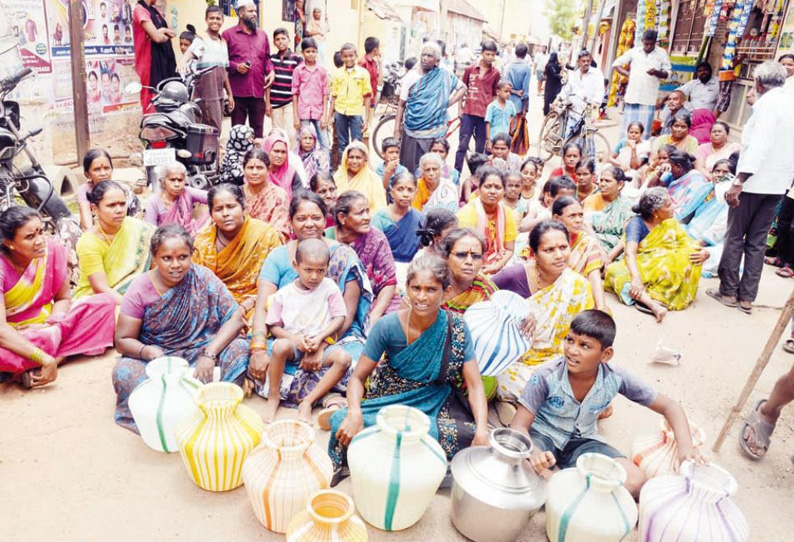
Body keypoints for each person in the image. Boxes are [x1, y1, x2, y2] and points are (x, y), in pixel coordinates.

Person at [328, 255, 489, 483]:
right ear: (407, 288)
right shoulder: (387, 326)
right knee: (340, 420)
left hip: (435, 402)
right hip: (390, 400)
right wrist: (354, 413)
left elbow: (474, 386)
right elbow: (357, 378)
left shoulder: (458, 328)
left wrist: (481, 431)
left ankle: (390, 452)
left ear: (447, 292)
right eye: (416, 288)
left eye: (431, 290)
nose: (421, 297)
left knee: (474, 435)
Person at [511, 310, 704, 498]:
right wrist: (534, 453)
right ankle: (567, 485)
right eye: (570, 340)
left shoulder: (615, 377)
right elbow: (518, 426)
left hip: (583, 441)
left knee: (636, 482)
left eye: (585, 345)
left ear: (606, 354)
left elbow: (670, 407)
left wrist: (685, 451)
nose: (572, 350)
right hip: (542, 437)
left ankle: (563, 486)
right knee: (522, 468)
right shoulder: (545, 376)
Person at [112, 225, 250, 432]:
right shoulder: (140, 287)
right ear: (154, 258)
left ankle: (217, 407)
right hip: (160, 357)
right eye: (167, 258)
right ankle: (175, 414)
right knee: (123, 373)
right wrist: (147, 351)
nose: (176, 265)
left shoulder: (203, 277)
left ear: (192, 255)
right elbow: (122, 340)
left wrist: (209, 354)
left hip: (202, 349)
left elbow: (235, 318)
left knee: (239, 349)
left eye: (183, 257)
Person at [249, 192, 374, 408]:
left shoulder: (344, 255)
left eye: (315, 218)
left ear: (325, 219)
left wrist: (321, 345)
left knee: (356, 362)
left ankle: (316, 396)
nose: (309, 224)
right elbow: (263, 308)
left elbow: (346, 315)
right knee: (254, 358)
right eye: (301, 218)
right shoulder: (278, 257)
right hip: (289, 334)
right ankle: (328, 396)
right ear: (291, 222)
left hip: (334, 336)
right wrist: (258, 350)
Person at [709, 62, 794, 315]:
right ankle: (746, 298)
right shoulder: (789, 102)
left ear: (758, 84)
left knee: (735, 236)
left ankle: (728, 291)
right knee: (756, 242)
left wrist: (738, 181)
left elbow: (758, 147)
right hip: (778, 184)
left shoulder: (767, 106)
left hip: (753, 183)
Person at [0, 207, 116, 388]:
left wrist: (50, 324)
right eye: (30, 237)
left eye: (41, 232)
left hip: (50, 325)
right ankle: (51, 357)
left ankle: (53, 360)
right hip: (14, 335)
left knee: (105, 303)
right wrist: (44, 357)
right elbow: (1, 331)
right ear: (9, 243)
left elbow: (63, 298)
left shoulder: (51, 250)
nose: (40, 241)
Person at [493, 221, 594, 400]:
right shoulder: (514, 275)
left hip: (558, 358)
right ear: (534, 254)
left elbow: (585, 333)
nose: (559, 255)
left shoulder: (579, 285)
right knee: (499, 379)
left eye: (563, 247)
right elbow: (481, 300)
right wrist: (517, 311)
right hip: (514, 360)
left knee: (593, 384)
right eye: (549, 250)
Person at [262, 239, 351, 423]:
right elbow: (273, 326)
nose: (314, 276)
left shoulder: (329, 288)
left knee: (344, 359)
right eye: (308, 270)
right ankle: (273, 397)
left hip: (321, 344)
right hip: (295, 345)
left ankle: (307, 402)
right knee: (279, 348)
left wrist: (320, 339)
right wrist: (294, 339)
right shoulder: (284, 295)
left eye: (320, 270)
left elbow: (340, 317)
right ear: (296, 265)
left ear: (327, 267)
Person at [605, 187, 709, 321]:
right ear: (655, 212)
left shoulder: (671, 222)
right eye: (668, 205)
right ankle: (652, 304)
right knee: (615, 272)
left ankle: (649, 296)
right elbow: (630, 252)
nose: (673, 208)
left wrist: (704, 253)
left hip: (664, 266)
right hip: (643, 264)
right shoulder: (636, 224)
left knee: (689, 254)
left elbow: (686, 242)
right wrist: (636, 277)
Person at [192, 184, 281, 315]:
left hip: (255, 302)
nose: (225, 213)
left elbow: (277, 280)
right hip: (214, 304)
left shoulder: (265, 234)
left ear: (244, 208)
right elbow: (196, 284)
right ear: (211, 214)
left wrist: (247, 305)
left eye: (231, 207)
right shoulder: (203, 241)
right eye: (218, 209)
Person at [75, 181, 155, 303]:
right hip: (99, 301)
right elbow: (100, 288)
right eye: (111, 205)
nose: (119, 210)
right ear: (95, 209)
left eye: (122, 204)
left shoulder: (136, 227)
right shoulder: (88, 242)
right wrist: (132, 307)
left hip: (136, 295)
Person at [327, 191, 402, 321]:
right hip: (335, 306)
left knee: (394, 321)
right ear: (342, 218)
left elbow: (389, 282)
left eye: (367, 211)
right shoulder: (326, 240)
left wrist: (374, 317)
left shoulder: (376, 238)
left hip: (373, 301)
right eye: (360, 213)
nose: (367, 217)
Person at [394, 42, 465, 174]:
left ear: (437, 60)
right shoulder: (411, 77)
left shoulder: (444, 75)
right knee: (409, 170)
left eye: (430, 56)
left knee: (430, 169)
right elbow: (401, 104)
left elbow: (462, 88)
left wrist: (448, 103)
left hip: (434, 131)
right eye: (423, 55)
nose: (425, 58)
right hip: (412, 131)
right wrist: (396, 129)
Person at [176, 6, 233, 135]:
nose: (215, 21)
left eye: (218, 18)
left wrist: (230, 94)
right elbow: (190, 52)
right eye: (211, 18)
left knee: (216, 129)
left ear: (222, 20)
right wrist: (182, 62)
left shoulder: (223, 42)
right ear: (206, 20)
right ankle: (210, 154)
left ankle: (214, 153)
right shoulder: (201, 39)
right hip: (205, 93)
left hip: (218, 94)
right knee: (210, 129)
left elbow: (224, 72)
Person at [222, 0, 275, 139]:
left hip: (258, 92)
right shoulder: (228, 35)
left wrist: (271, 71)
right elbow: (222, 61)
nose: (254, 14)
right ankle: (238, 160)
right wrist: (235, 66)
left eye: (255, 11)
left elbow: (267, 58)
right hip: (238, 93)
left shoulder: (262, 35)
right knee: (237, 132)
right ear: (240, 13)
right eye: (250, 11)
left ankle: (256, 159)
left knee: (257, 132)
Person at [612, 29, 672, 140]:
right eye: (646, 43)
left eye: (651, 44)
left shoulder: (661, 53)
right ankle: (624, 153)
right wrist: (628, 74)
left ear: (656, 42)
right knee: (628, 130)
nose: (649, 46)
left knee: (644, 131)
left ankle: (641, 155)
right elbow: (616, 64)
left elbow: (667, 74)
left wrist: (656, 72)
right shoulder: (634, 52)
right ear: (642, 41)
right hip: (632, 97)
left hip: (648, 99)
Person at [457, 167, 516, 275]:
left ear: (504, 191)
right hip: (469, 264)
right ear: (479, 189)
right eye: (488, 187)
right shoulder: (468, 212)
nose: (493, 191)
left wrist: (498, 266)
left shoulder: (507, 212)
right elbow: (463, 251)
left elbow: (509, 249)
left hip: (498, 262)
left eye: (498, 187)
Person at [552, 197, 607, 311]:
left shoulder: (587, 242)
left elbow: (594, 276)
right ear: (557, 218)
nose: (578, 220)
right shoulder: (543, 237)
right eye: (572, 216)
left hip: (572, 295)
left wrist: (601, 308)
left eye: (580, 215)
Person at [455, 40, 501, 174]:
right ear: (482, 54)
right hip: (468, 112)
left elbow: (494, 94)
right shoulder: (470, 70)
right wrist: (460, 109)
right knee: (462, 145)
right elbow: (462, 89)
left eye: (493, 55)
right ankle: (456, 173)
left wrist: (492, 113)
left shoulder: (496, 73)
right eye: (488, 54)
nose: (490, 58)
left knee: (480, 149)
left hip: (484, 115)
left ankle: (476, 175)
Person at [687, 159, 734, 278]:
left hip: (712, 242)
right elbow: (686, 212)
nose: (720, 175)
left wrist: (693, 245)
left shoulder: (729, 200)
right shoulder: (705, 189)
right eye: (717, 171)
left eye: (725, 172)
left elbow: (717, 232)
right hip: (691, 231)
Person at [330, 43, 372, 165]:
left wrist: (367, 119)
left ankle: (357, 169)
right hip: (340, 112)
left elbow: (367, 96)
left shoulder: (363, 73)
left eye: (351, 56)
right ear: (342, 57)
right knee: (341, 143)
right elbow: (334, 96)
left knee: (356, 143)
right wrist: (329, 117)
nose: (348, 59)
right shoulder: (338, 74)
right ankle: (344, 168)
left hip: (356, 113)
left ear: (356, 56)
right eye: (345, 56)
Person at [132, 0, 176, 112]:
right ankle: (152, 128)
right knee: (152, 97)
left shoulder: (155, 10)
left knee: (168, 95)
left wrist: (162, 30)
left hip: (166, 60)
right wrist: (160, 34)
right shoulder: (140, 9)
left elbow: (173, 32)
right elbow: (157, 37)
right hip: (150, 62)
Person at [78, 149, 139, 230]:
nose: (103, 173)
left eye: (106, 168)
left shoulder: (123, 190)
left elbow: (138, 221)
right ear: (87, 174)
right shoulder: (86, 191)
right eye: (97, 169)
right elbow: (87, 226)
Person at [372, 172, 425, 264]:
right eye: (400, 189)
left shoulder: (420, 218)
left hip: (412, 268)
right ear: (392, 192)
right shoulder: (380, 218)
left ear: (416, 193)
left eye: (410, 190)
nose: (405, 194)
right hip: (384, 268)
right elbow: (373, 249)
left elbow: (423, 248)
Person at [440, 228, 497, 314]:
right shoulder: (432, 283)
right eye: (461, 255)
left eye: (476, 256)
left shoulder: (486, 291)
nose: (469, 262)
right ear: (446, 257)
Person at [240, 148, 291, 242]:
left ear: (268, 170)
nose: (254, 172)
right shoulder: (237, 193)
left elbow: (280, 232)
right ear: (244, 169)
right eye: (250, 168)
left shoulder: (278, 195)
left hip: (268, 247)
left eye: (259, 168)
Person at [144, 163, 208, 235]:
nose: (177, 184)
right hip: (164, 242)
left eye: (180, 180)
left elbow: (213, 197)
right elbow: (150, 231)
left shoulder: (187, 192)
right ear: (163, 182)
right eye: (172, 180)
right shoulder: (153, 201)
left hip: (187, 239)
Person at [585, 166, 633, 263]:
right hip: (595, 246)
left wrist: (609, 258)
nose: (602, 184)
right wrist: (601, 252)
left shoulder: (626, 205)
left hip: (618, 251)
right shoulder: (592, 199)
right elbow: (586, 225)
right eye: (601, 180)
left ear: (620, 185)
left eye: (607, 181)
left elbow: (627, 235)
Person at [292, 37, 329, 150]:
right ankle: (304, 165)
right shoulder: (298, 70)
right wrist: (295, 117)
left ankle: (324, 166)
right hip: (303, 111)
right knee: (303, 142)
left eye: (313, 51)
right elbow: (295, 94)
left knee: (324, 143)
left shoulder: (322, 70)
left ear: (317, 52)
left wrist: (324, 115)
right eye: (308, 51)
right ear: (302, 53)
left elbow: (325, 93)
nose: (311, 54)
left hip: (318, 111)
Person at [267, 28, 302, 145]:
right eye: (277, 39)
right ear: (274, 42)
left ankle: (291, 159)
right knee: (277, 134)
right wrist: (267, 103)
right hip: (275, 102)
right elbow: (268, 83)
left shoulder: (296, 58)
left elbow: (302, 80)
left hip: (290, 102)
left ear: (289, 40)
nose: (280, 42)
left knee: (291, 134)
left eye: (283, 38)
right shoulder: (271, 59)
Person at [559, 49, 604, 139]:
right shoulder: (574, 75)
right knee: (569, 135)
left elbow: (600, 90)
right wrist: (558, 98)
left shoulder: (597, 73)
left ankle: (589, 153)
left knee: (589, 136)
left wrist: (596, 103)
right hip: (575, 109)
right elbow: (567, 90)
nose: (586, 63)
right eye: (583, 61)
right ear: (578, 62)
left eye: (588, 61)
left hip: (591, 108)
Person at [334, 141, 387, 212]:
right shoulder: (338, 176)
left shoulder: (374, 179)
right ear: (346, 159)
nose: (354, 161)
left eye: (358, 158)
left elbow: (379, 208)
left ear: (365, 160)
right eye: (351, 157)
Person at [662, 150, 713, 223]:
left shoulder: (696, 180)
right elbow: (653, 186)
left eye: (672, 167)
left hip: (680, 217)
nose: (670, 170)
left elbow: (688, 208)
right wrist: (659, 172)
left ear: (678, 167)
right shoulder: (675, 175)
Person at [262, 132, 303, 198]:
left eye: (283, 152)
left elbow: (299, 197)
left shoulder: (291, 173)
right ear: (267, 151)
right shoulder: (259, 171)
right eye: (276, 151)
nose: (280, 156)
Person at [359, 37, 381, 131]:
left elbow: (380, 81)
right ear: (375, 49)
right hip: (363, 102)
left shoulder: (374, 63)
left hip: (371, 99)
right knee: (363, 129)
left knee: (367, 128)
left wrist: (381, 63)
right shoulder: (362, 63)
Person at [376, 137, 408, 203]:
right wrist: (387, 172)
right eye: (391, 152)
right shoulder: (379, 170)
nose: (394, 155)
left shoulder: (403, 170)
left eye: (397, 152)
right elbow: (380, 190)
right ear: (383, 154)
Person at [485, 81, 517, 145]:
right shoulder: (492, 106)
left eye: (510, 92)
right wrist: (488, 140)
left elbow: (513, 116)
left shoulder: (510, 105)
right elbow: (488, 123)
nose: (508, 94)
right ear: (498, 92)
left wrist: (512, 130)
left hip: (505, 138)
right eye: (506, 91)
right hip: (493, 138)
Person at [505, 43, 531, 121]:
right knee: (516, 130)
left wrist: (513, 91)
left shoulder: (509, 66)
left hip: (507, 101)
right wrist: (525, 107)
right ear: (526, 54)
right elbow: (525, 91)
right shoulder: (526, 68)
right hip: (518, 104)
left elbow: (503, 84)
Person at [543, 52, 563, 116]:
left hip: (549, 83)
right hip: (553, 84)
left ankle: (547, 111)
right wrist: (561, 76)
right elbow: (555, 74)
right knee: (552, 98)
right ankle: (549, 112)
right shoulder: (551, 65)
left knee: (548, 97)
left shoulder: (549, 64)